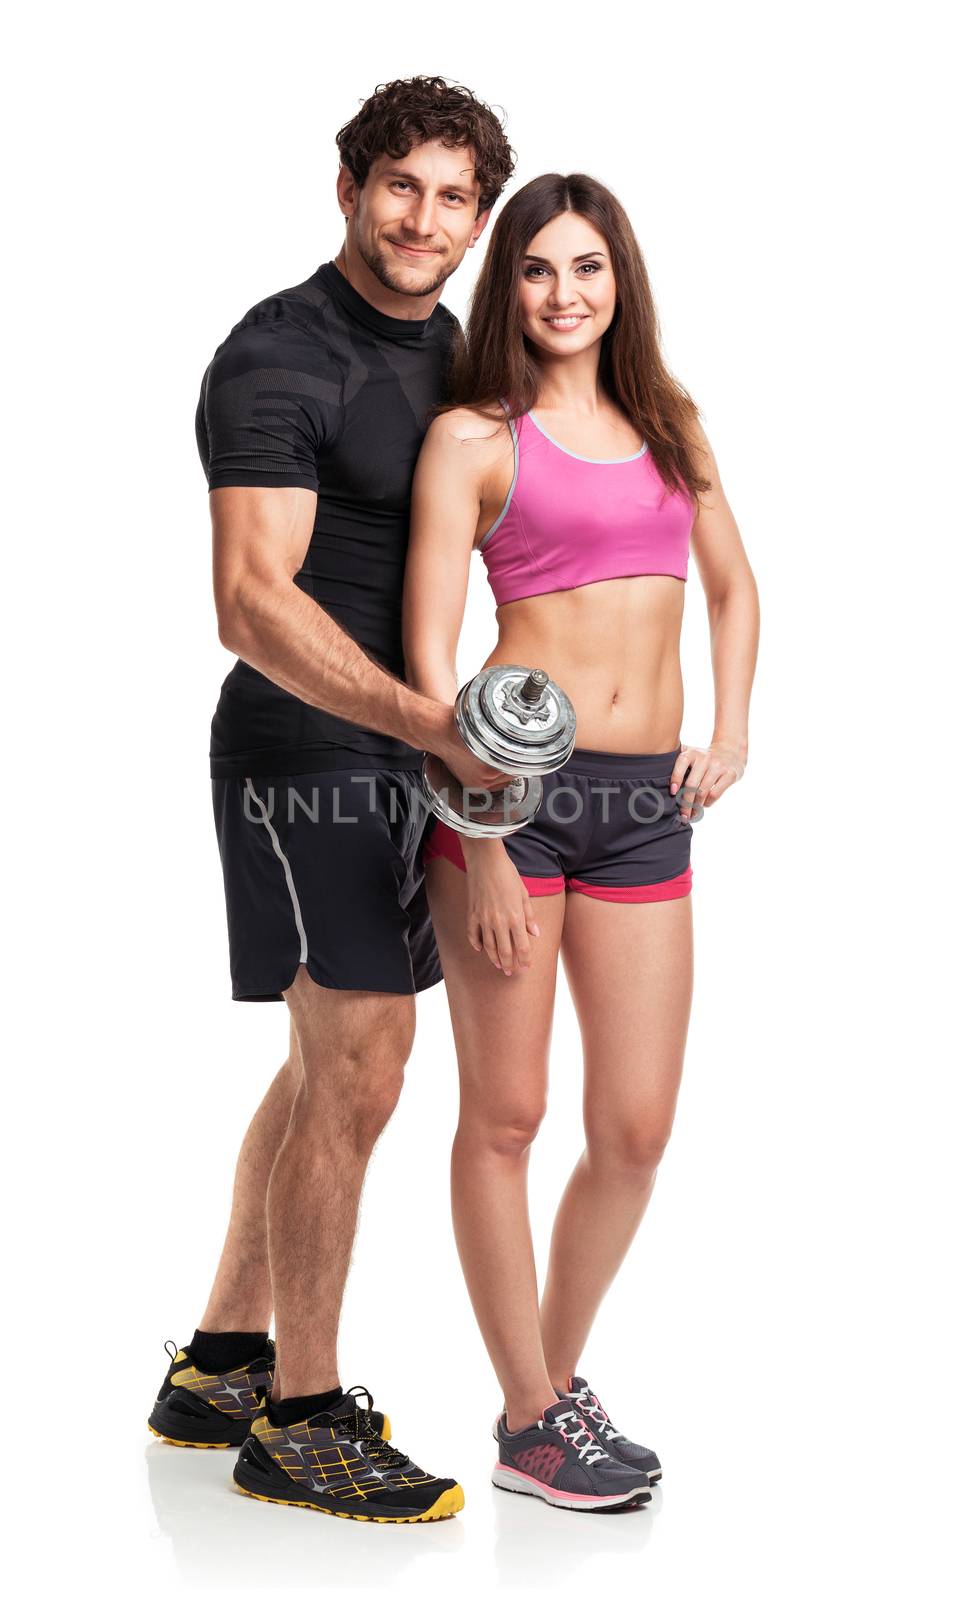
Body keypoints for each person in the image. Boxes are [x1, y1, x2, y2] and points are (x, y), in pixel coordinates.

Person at [146, 76, 516, 1524]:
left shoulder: (456, 357)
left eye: (452, 198)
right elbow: (250, 602)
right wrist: (434, 724)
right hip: (307, 752)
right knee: (363, 1069)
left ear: (478, 219)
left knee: (323, 1067)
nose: (423, 220)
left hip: (399, 752)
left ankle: (224, 1360)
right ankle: (301, 1418)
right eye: (400, 186)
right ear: (349, 185)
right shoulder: (280, 354)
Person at [403, 172, 760, 1512]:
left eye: (589, 268)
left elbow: (734, 588)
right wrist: (479, 838)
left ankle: (548, 1387)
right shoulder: (473, 438)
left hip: (645, 811)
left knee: (635, 1129)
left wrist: (731, 729)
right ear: (512, 287)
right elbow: (426, 659)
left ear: (623, 279)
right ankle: (532, 1414)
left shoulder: (672, 426)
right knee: (506, 1116)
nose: (564, 294)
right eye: (540, 270)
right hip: (513, 799)